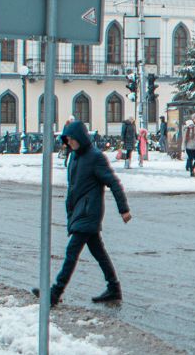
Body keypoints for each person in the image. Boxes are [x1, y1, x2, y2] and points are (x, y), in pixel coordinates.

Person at [35, 120, 132, 306]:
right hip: (79, 211)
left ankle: (55, 292)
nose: (69, 143)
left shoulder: (95, 157)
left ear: (80, 137)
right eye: (67, 140)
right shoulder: (75, 157)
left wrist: (124, 209)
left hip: (89, 212)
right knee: (99, 252)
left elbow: (113, 182)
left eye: (71, 140)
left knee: (72, 252)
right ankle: (114, 288)